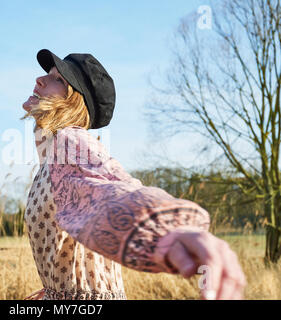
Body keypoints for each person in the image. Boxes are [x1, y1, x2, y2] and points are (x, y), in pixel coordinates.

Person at [20, 49, 246, 300]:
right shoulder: (53, 154)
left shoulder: (70, 140)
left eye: (59, 80)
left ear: (75, 101)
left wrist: (169, 229)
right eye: (47, 75)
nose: (40, 80)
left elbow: (113, 187)